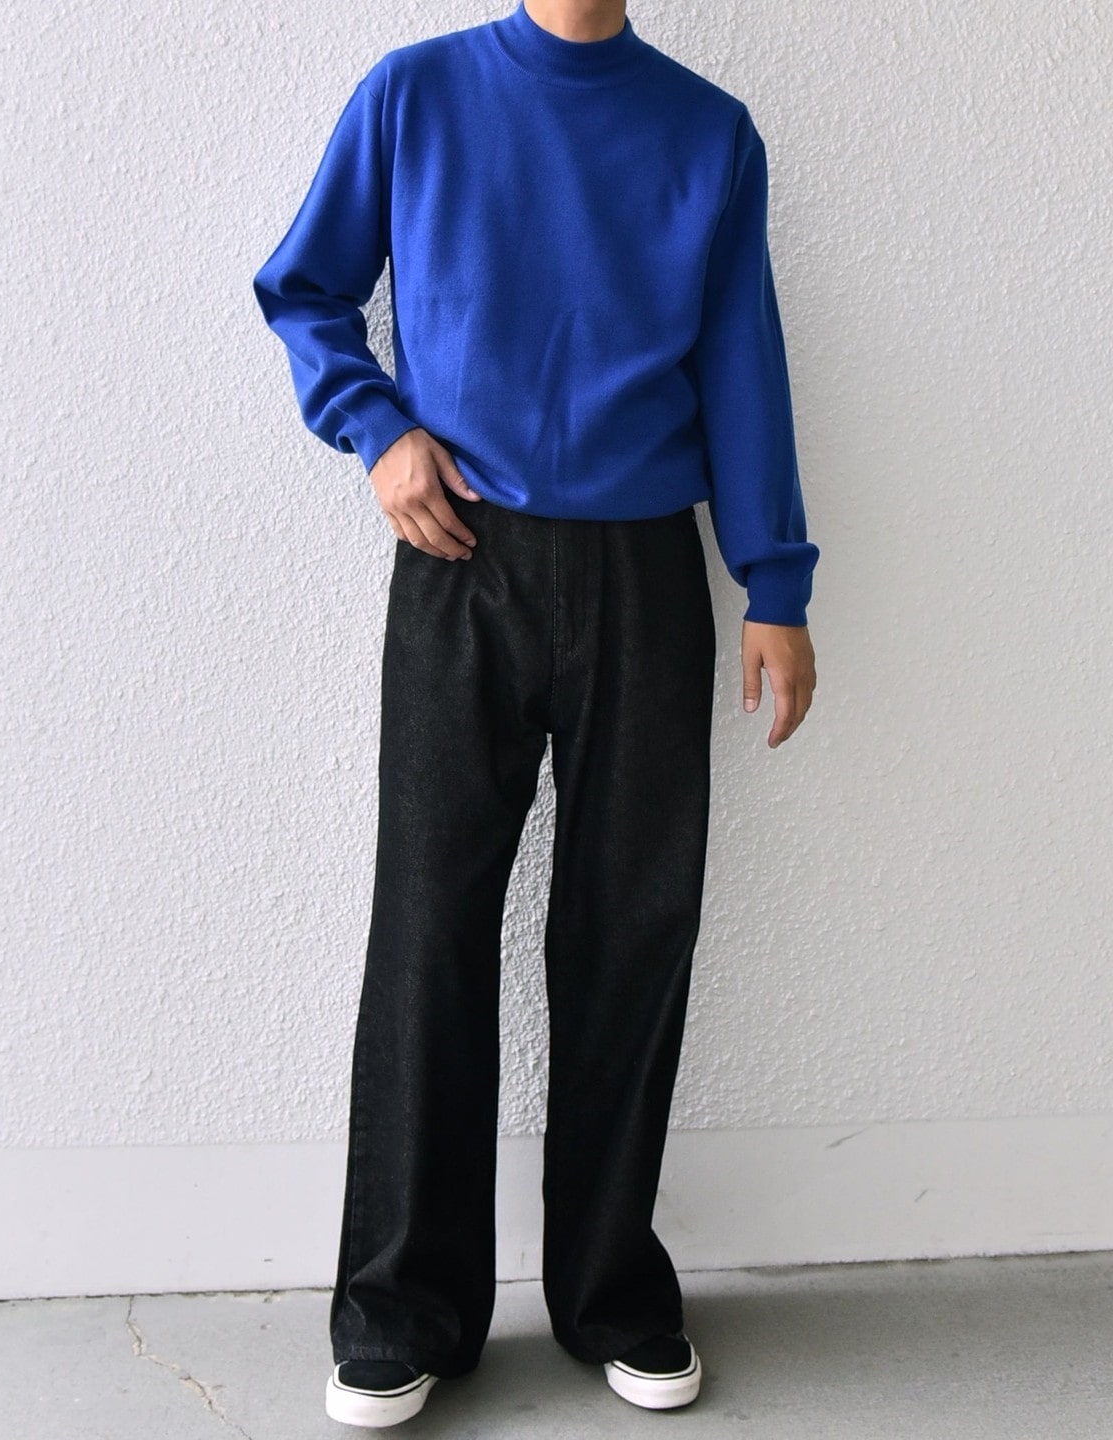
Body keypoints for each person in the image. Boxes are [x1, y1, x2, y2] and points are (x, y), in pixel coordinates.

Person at [253, 0, 819, 1426]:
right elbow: (304, 287)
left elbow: (741, 358)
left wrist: (774, 578)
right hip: (463, 558)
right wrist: (378, 429)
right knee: (429, 924)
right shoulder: (414, 96)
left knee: (634, 928)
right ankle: (402, 1307)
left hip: (647, 570)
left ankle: (612, 1290)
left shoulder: (709, 134)